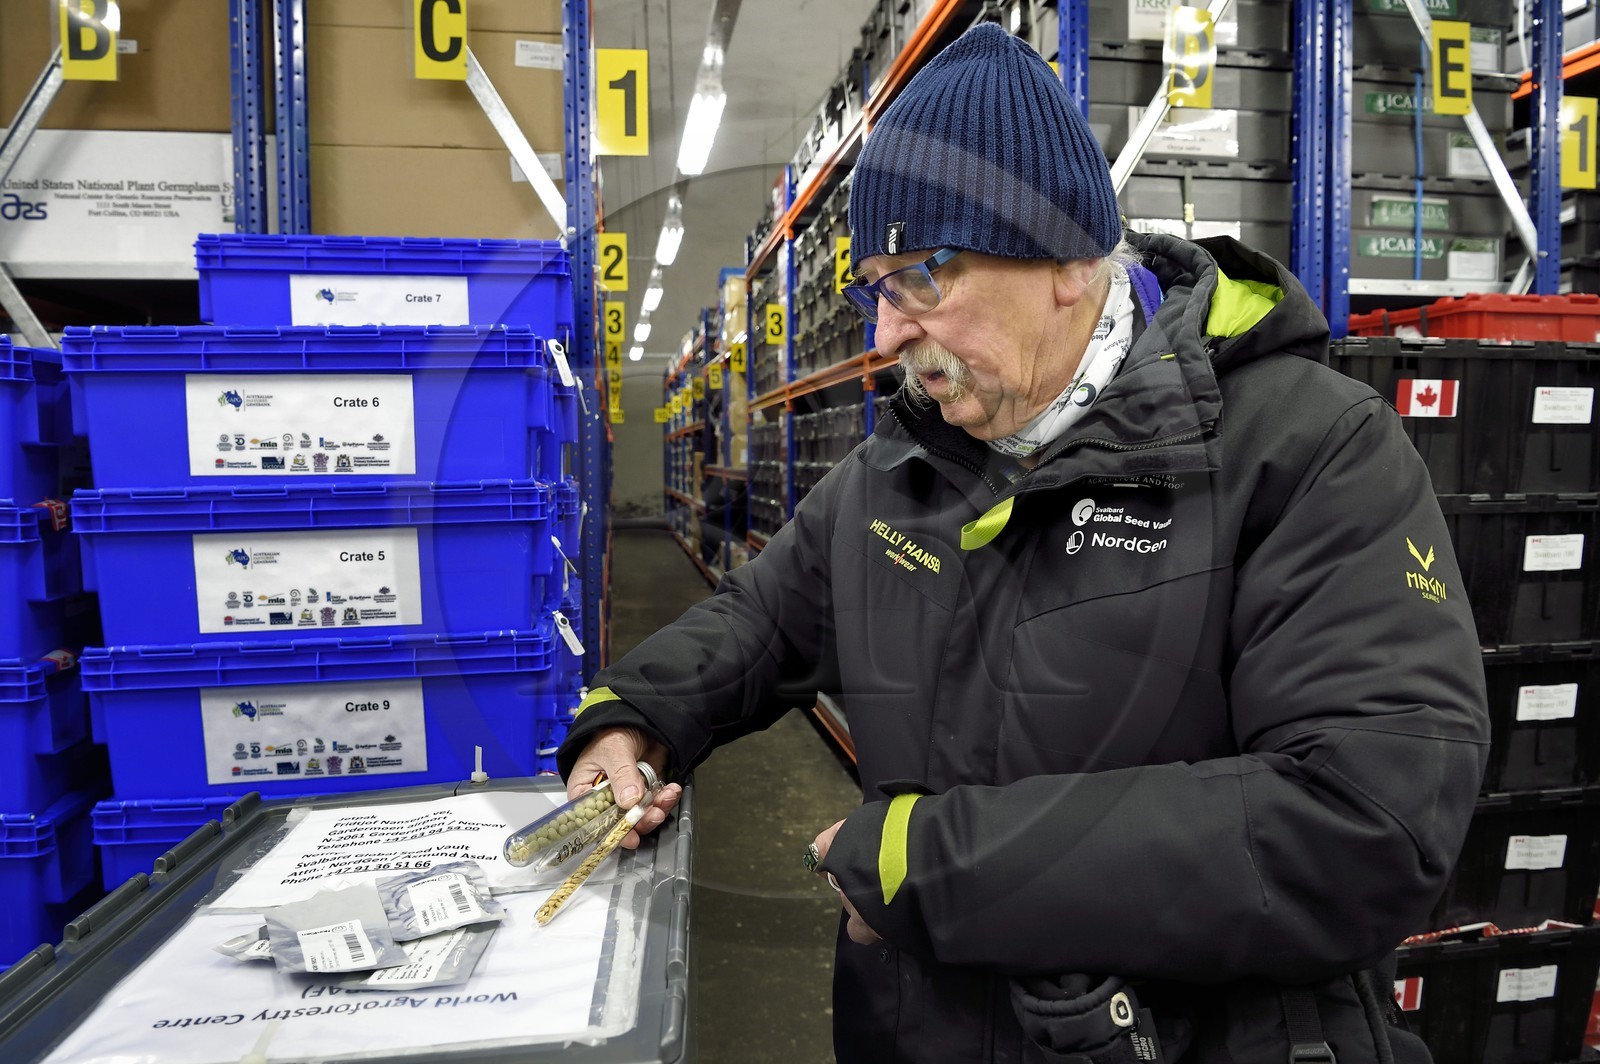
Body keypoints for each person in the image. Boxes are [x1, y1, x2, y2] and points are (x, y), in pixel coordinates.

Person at [558, 22, 1488, 1064]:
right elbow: (757, 619)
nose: (885, 335)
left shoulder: (1307, 449)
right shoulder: (894, 474)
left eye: (920, 277)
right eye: (873, 287)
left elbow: (1365, 820)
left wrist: (922, 863)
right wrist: (631, 716)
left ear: (1062, 258)